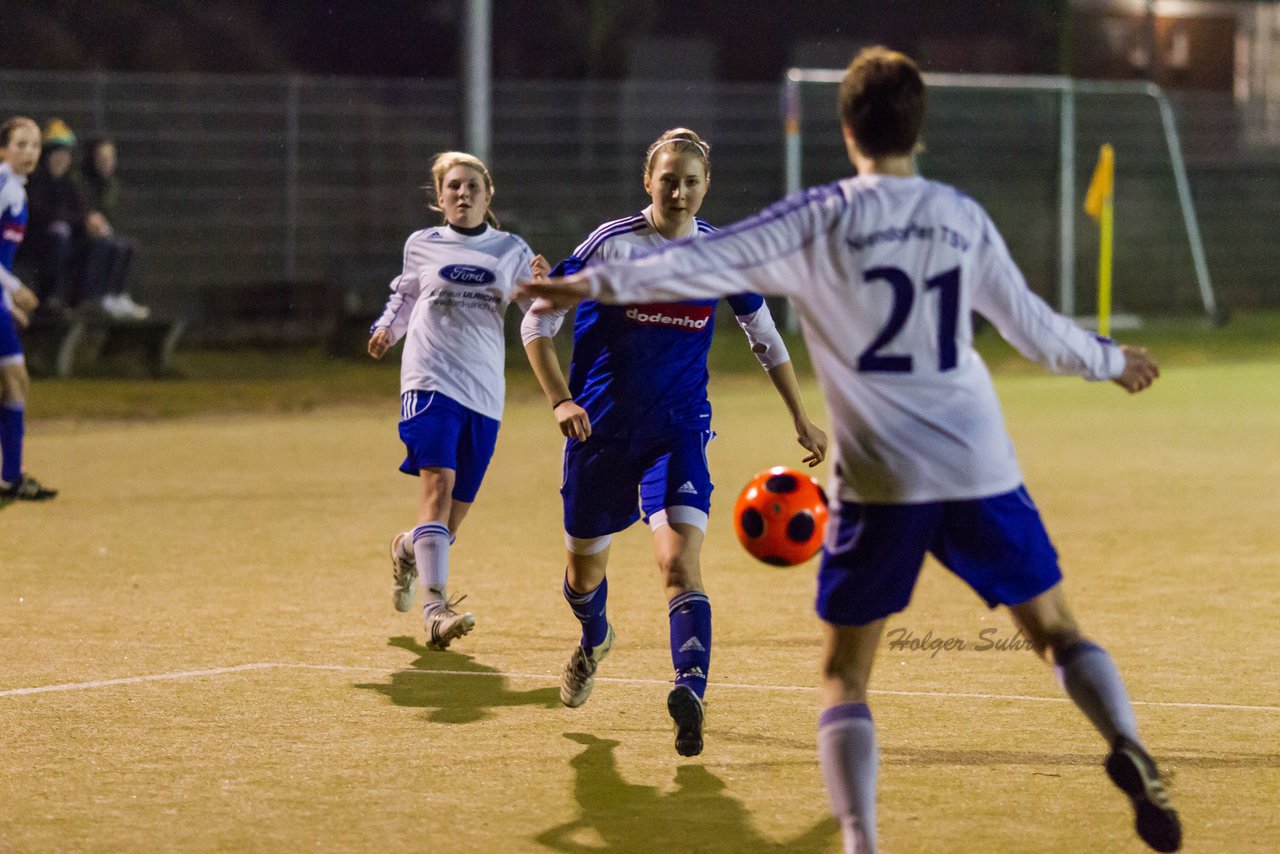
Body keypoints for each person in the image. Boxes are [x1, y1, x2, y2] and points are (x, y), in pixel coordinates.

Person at [519, 49, 1180, 853]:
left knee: (845, 678)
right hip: (978, 460)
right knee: (1057, 632)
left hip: (879, 475)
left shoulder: (817, 216)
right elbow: (1033, 328)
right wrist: (1111, 361)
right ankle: (1127, 739)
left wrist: (579, 287)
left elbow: (696, 260)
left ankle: (862, 841)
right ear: (919, 130)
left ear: (845, 128)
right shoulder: (957, 214)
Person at [520, 128, 828, 757]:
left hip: (678, 430)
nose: (680, 191)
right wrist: (560, 400)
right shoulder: (612, 245)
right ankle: (595, 637)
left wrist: (801, 416)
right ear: (648, 182)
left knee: (678, 563)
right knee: (583, 576)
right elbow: (538, 322)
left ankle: (689, 691)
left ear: (706, 185)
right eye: (669, 179)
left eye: (692, 180)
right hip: (598, 433)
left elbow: (764, 337)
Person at [368, 151, 547, 650]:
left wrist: (547, 286)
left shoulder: (510, 249)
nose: (462, 194)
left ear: (489, 197)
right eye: (453, 187)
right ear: (440, 198)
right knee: (438, 486)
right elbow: (404, 298)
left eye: (472, 187)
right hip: (428, 382)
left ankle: (406, 549)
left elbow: (540, 311)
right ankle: (434, 611)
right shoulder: (423, 245)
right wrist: (386, 330)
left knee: (449, 522)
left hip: (484, 392)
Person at [0, 116, 57, 503]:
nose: (29, 152)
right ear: (3, 149)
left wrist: (6, 301)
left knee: (14, 381)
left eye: (35, 145)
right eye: (20, 144)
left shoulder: (16, 189)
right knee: (15, 381)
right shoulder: (4, 185)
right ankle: (12, 477)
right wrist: (16, 289)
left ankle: (11, 478)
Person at [77, 136, 149, 320]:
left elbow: (111, 215)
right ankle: (101, 297)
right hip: (82, 235)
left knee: (128, 245)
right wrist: (87, 220)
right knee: (108, 244)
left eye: (110, 158)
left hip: (104, 233)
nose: (107, 162)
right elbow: (82, 210)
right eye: (102, 157)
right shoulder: (81, 181)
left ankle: (120, 296)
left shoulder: (112, 184)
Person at [22, 119, 86, 311]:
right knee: (59, 236)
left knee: (94, 242)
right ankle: (50, 297)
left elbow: (81, 213)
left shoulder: (69, 183)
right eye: (57, 155)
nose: (61, 160)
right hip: (36, 239)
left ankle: (85, 301)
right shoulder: (35, 180)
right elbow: (40, 214)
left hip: (64, 237)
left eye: (65, 156)